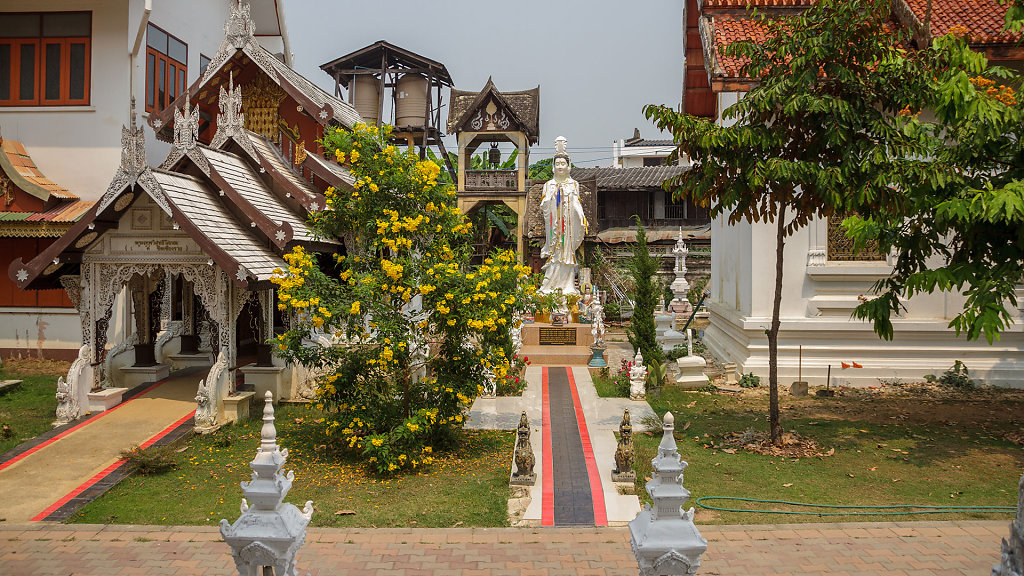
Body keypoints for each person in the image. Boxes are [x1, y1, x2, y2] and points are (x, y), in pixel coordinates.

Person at [539, 136, 587, 294]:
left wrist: (580, 216)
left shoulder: (574, 184)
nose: (560, 166)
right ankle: (549, 286)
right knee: (555, 255)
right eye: (557, 163)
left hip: (568, 227)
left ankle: (568, 285)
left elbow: (576, 204)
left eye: (563, 163)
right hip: (554, 227)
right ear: (553, 167)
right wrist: (552, 198)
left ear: (568, 166)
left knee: (567, 254)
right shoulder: (548, 185)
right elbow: (544, 206)